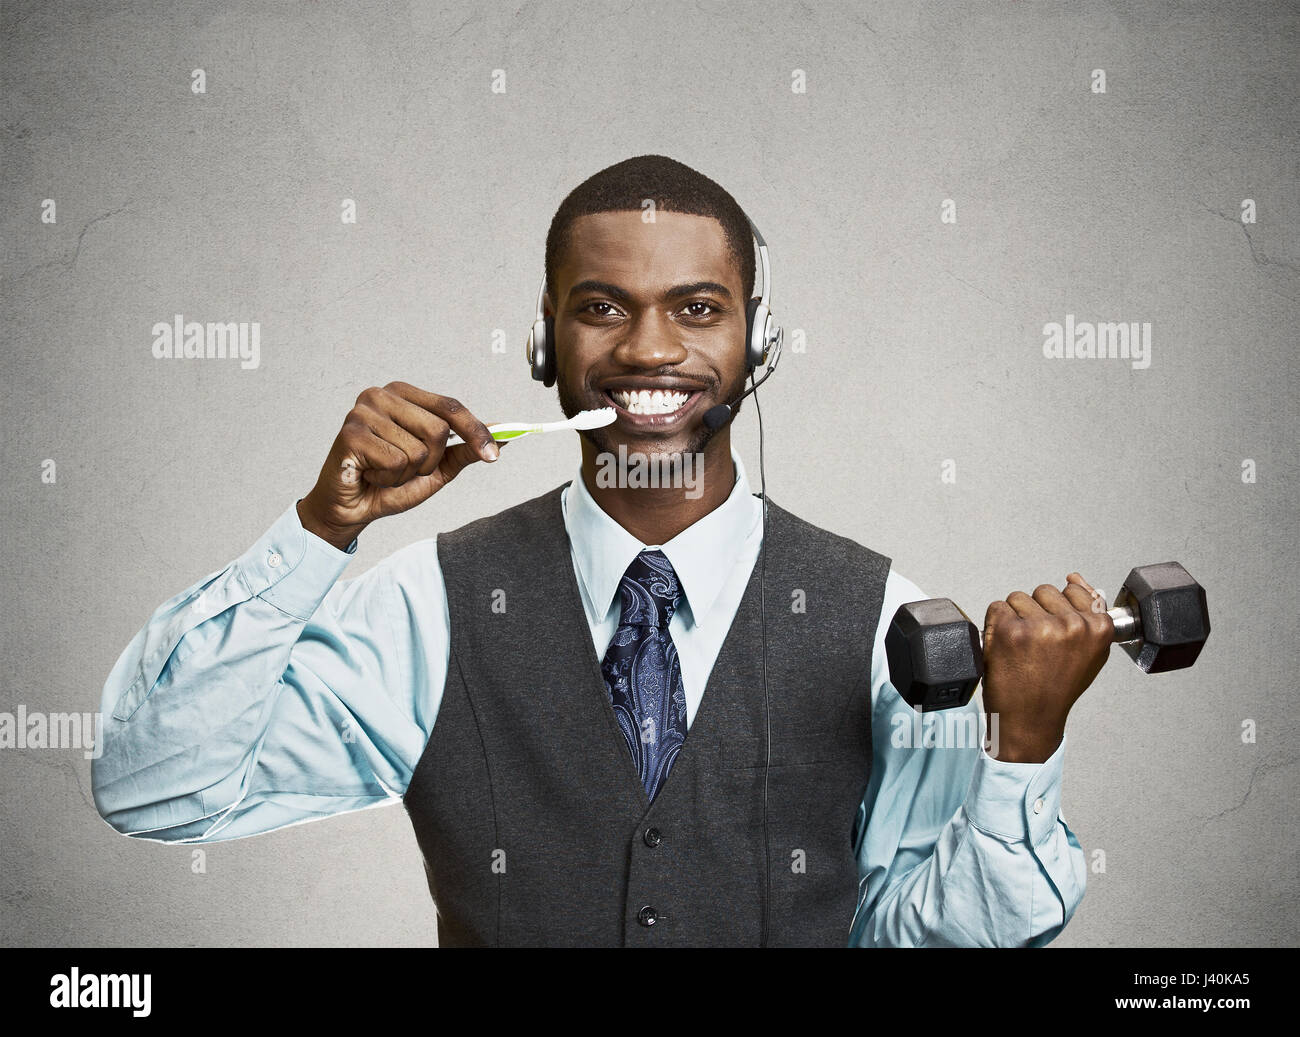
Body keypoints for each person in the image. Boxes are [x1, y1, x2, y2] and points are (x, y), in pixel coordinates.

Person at [93, 154, 1103, 947]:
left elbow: (924, 940)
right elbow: (155, 782)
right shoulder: (431, 608)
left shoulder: (881, 617)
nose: (650, 349)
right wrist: (320, 530)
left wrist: (1024, 748)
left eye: (698, 309)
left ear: (761, 344)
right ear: (545, 345)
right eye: (603, 306)